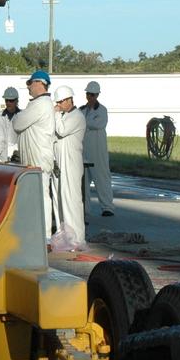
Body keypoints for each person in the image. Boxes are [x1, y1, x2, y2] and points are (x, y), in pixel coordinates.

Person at [11, 70, 56, 239]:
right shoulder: (37, 104)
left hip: (38, 160)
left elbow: (18, 123)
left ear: (39, 83)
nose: (28, 87)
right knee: (34, 199)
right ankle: (37, 236)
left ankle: (44, 238)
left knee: (41, 198)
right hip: (34, 161)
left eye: (30, 83)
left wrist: (19, 116)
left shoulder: (41, 104)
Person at [52, 85, 87, 250]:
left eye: (60, 102)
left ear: (69, 100)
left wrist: (56, 113)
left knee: (71, 200)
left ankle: (77, 239)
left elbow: (61, 130)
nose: (58, 105)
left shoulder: (77, 116)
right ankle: (64, 236)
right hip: (60, 162)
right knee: (59, 200)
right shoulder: (64, 115)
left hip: (71, 163)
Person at [81, 81, 114, 217]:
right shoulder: (81, 110)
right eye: (88, 94)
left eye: (93, 94)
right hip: (83, 150)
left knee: (102, 178)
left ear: (97, 95)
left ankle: (107, 207)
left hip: (98, 151)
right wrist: (86, 123)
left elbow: (99, 124)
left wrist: (84, 123)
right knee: (83, 182)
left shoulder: (102, 110)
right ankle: (85, 209)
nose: (90, 97)